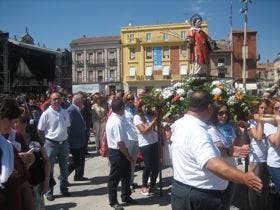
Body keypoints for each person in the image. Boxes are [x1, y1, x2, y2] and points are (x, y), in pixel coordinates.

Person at [170, 90, 262, 210]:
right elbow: (212, 164)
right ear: (209, 107)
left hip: (183, 191)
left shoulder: (180, 123)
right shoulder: (197, 131)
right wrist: (244, 178)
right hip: (200, 197)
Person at [208, 101, 250, 210]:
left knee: (228, 199)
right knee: (219, 202)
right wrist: (233, 151)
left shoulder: (229, 128)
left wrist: (243, 131)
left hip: (231, 166)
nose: (224, 116)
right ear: (214, 114)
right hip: (219, 168)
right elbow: (220, 150)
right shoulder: (211, 129)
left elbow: (236, 145)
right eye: (220, 113)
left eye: (226, 113)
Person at [0, 96, 35, 210]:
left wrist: (25, 163)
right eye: (10, 120)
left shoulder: (8, 147)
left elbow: (24, 184)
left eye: (15, 121)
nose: (12, 126)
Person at [37, 92, 71, 201]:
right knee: (49, 169)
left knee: (64, 168)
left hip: (64, 144)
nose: (56, 101)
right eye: (54, 99)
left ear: (61, 100)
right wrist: (45, 142)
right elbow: (40, 130)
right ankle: (49, 192)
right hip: (51, 144)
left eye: (58, 99)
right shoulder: (46, 114)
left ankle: (64, 188)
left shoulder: (65, 112)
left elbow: (67, 127)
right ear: (50, 100)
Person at [106, 98, 137, 210]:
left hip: (121, 152)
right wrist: (128, 155)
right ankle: (113, 201)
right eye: (124, 107)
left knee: (126, 176)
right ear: (121, 108)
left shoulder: (118, 117)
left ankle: (126, 196)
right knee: (114, 178)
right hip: (118, 153)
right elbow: (120, 143)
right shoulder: (116, 122)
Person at [247, 99, 271, 210]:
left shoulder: (271, 121)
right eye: (261, 107)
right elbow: (258, 136)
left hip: (268, 159)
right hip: (256, 159)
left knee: (265, 186)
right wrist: (260, 122)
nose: (263, 110)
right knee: (254, 186)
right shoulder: (252, 123)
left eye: (266, 108)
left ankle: (263, 206)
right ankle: (253, 207)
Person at [133, 102, 158, 196]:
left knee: (156, 166)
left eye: (148, 106)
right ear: (140, 107)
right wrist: (153, 122)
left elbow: (155, 127)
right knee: (148, 166)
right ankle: (144, 186)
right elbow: (144, 131)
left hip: (154, 142)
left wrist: (157, 117)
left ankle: (152, 186)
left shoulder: (151, 115)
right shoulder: (137, 117)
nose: (147, 108)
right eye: (145, 106)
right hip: (145, 144)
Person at [67, 93, 88, 181]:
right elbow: (68, 127)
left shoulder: (77, 109)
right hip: (74, 140)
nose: (83, 102)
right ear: (77, 101)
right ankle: (64, 174)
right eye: (82, 100)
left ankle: (78, 176)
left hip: (80, 139)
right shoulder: (71, 110)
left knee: (80, 159)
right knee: (75, 160)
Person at [263, 98, 280, 195]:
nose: (279, 110)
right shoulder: (268, 125)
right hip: (276, 164)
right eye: (277, 108)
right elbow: (276, 142)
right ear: (272, 110)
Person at [123, 91, 139, 190]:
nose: (130, 100)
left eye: (132, 98)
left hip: (137, 138)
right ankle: (127, 184)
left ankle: (131, 181)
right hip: (129, 138)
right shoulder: (124, 111)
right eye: (128, 99)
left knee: (133, 162)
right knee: (128, 162)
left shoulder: (136, 109)